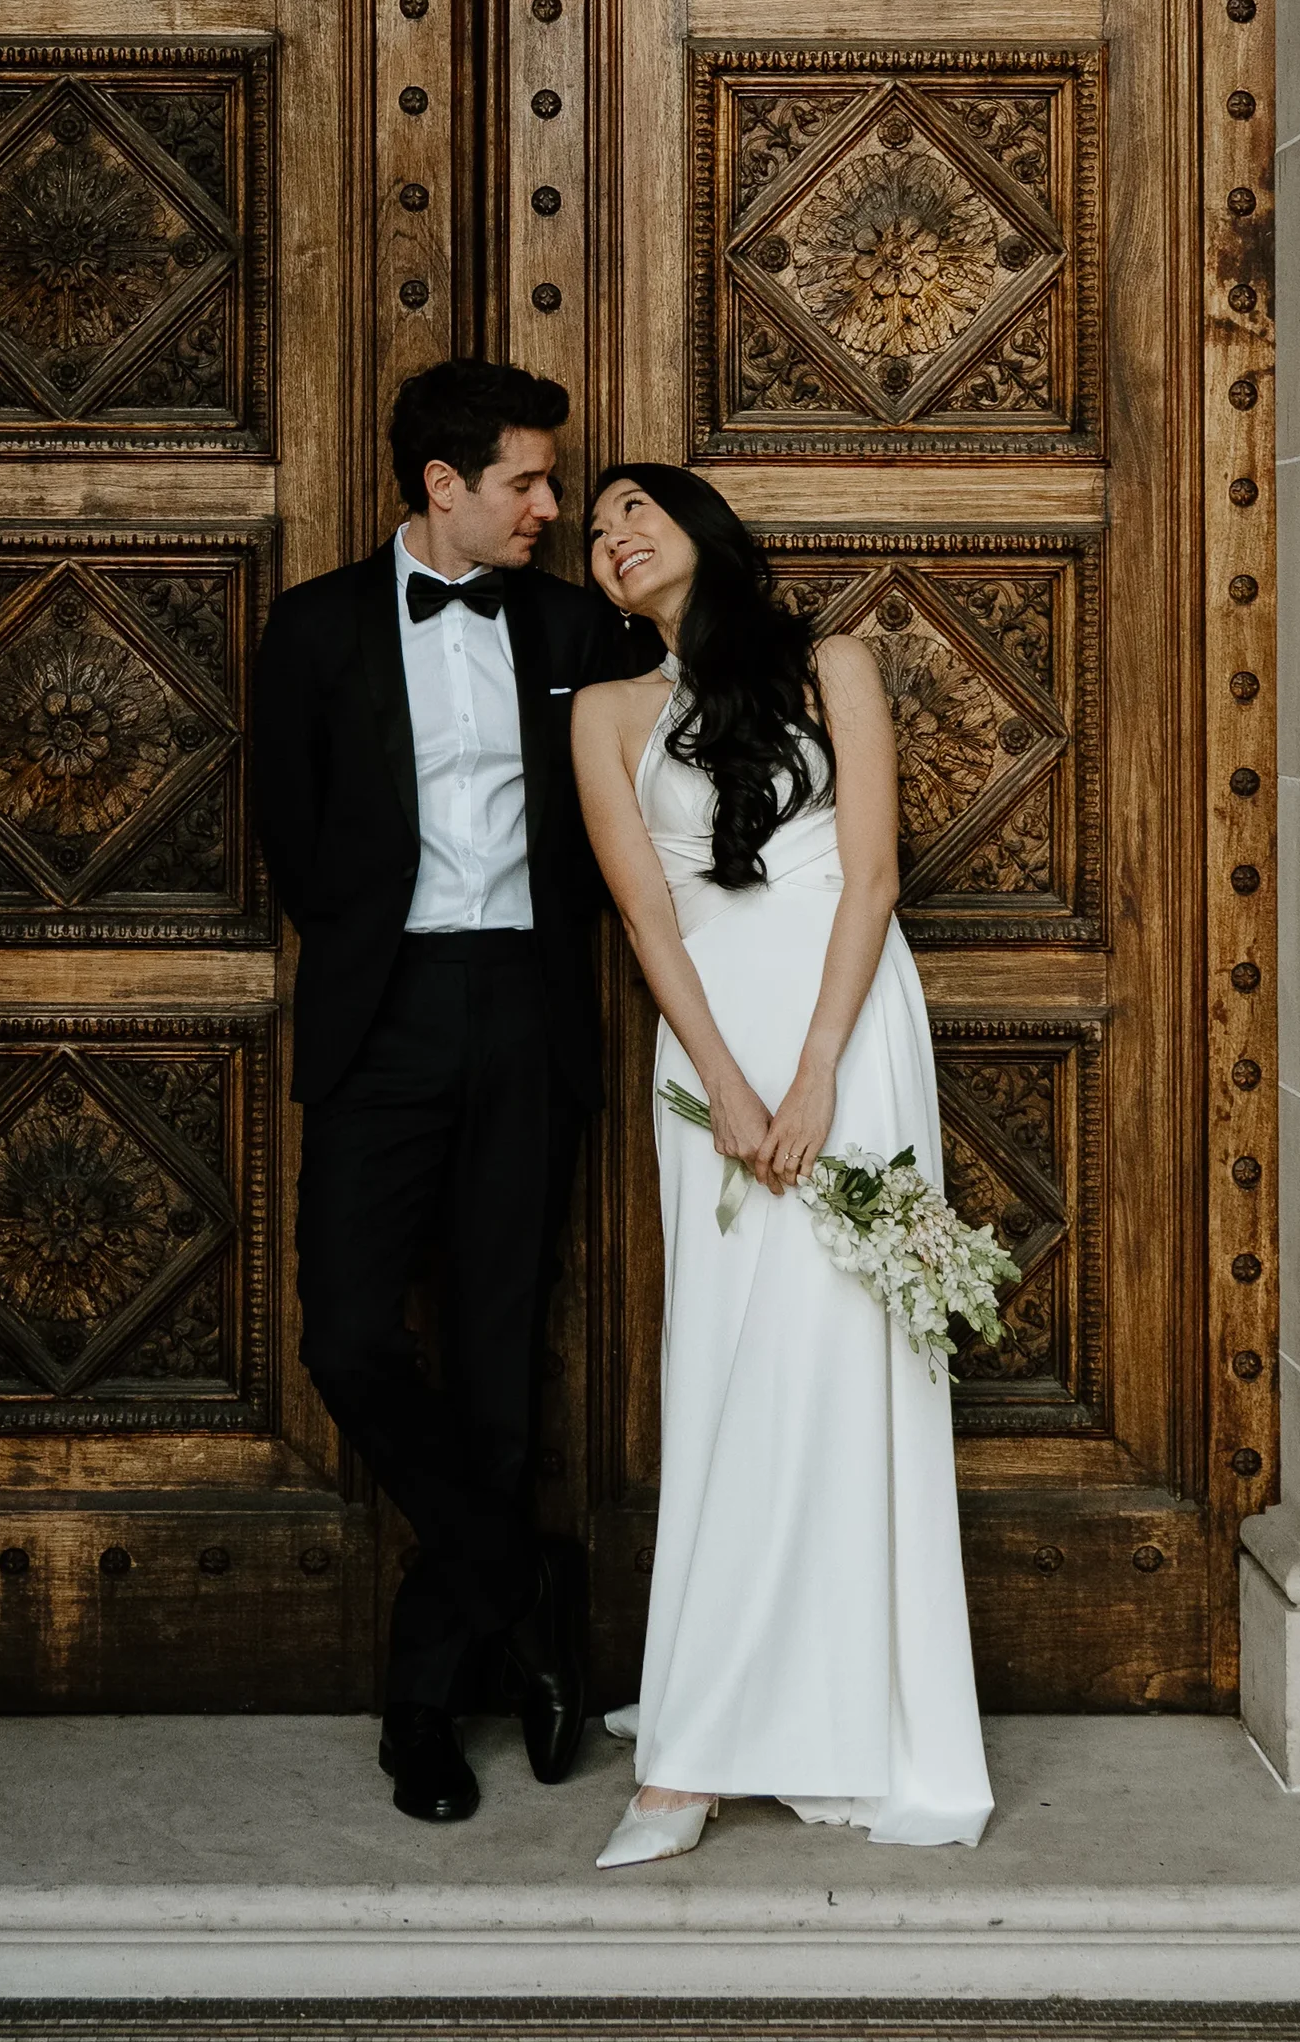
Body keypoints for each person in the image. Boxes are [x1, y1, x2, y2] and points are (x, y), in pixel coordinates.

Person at [251, 358, 658, 1824]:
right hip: (388, 1013)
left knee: (495, 1360)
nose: (550, 506)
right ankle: (520, 1579)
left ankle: (422, 1707)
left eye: (549, 481)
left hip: (529, 1009)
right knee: (350, 1336)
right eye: (526, 482)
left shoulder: (571, 627)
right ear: (444, 485)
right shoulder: (314, 628)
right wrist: (385, 950)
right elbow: (294, 838)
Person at [572, 462, 992, 1865]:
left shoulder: (832, 665)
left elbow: (870, 877)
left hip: (848, 1028)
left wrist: (815, 1071)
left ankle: (844, 1705)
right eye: (594, 531)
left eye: (634, 510)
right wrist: (728, 1083)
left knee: (841, 1351)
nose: (611, 536)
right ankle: (696, 1739)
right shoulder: (604, 711)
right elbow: (648, 917)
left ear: (698, 526)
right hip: (711, 1044)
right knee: (727, 1357)